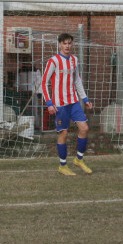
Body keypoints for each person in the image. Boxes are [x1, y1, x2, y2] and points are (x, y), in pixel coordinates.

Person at [41, 33, 94, 176]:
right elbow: (44, 82)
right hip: (60, 104)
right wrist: (49, 103)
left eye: (69, 43)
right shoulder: (53, 61)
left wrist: (85, 98)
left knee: (84, 128)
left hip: (74, 101)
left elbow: (77, 81)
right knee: (63, 133)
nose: (67, 46)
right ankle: (63, 166)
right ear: (59, 44)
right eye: (64, 43)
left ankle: (79, 159)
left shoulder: (74, 60)